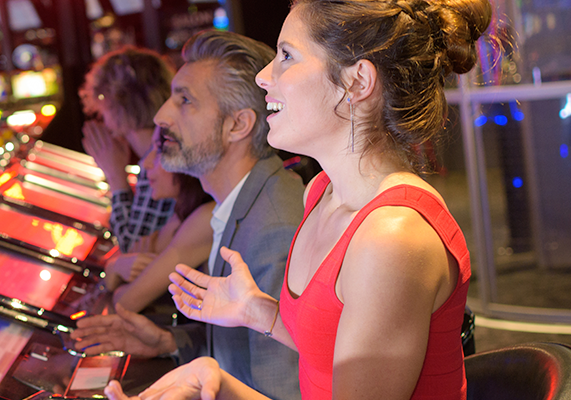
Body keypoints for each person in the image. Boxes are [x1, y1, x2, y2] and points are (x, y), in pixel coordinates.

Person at [109, 0, 491, 398]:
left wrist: (220, 389)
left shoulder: (392, 237)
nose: (263, 77)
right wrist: (259, 318)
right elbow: (327, 356)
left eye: (286, 56)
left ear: (357, 82)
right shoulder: (320, 192)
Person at [73, 30, 304, 399]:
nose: (161, 116)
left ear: (237, 125)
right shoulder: (244, 200)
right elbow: (241, 349)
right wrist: (168, 341)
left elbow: (279, 391)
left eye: (184, 101)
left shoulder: (273, 229)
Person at [80, 46, 177, 253]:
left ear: (114, 106)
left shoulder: (159, 158)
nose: (102, 120)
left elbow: (133, 249)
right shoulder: (165, 146)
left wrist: (116, 178)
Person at [106, 134, 215, 313]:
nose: (146, 163)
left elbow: (124, 303)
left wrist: (115, 268)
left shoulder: (205, 217)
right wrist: (116, 268)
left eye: (159, 152)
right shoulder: (182, 213)